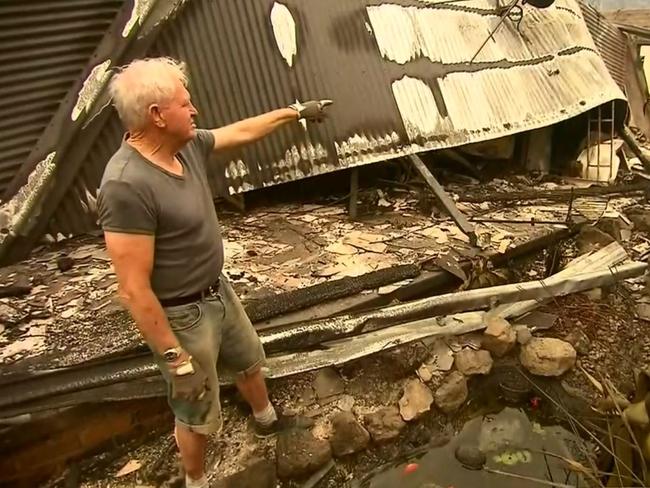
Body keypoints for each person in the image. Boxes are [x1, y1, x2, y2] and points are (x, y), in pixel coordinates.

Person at [96, 57, 332, 488]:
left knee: (248, 360)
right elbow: (132, 288)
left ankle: (265, 419)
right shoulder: (126, 185)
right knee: (196, 408)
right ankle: (196, 480)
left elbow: (240, 132)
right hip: (182, 316)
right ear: (157, 116)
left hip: (217, 291)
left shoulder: (183, 145)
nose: (195, 111)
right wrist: (174, 359)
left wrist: (295, 113)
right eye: (186, 104)